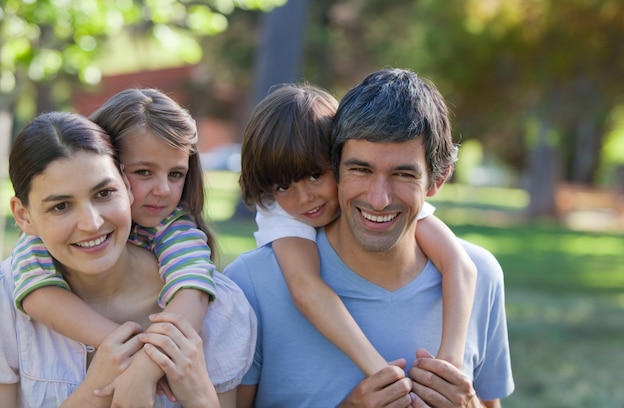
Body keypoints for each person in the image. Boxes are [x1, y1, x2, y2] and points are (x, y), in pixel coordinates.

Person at [226, 68, 514, 407]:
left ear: (438, 179)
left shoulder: (483, 275)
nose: (379, 199)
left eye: (403, 174)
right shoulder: (250, 285)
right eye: (360, 169)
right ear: (339, 166)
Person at [0, 112, 256, 407]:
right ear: (23, 215)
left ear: (125, 185)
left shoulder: (221, 310)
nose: (92, 223)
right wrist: (93, 392)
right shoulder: (9, 302)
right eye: (61, 206)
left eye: (104, 193)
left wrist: (199, 398)